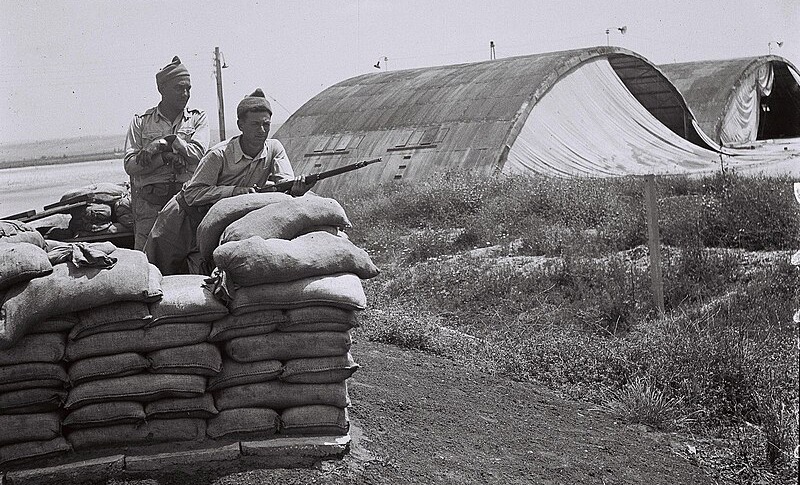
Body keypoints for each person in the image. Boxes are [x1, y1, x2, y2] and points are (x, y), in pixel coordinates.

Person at [144, 88, 314, 275]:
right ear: (240, 125)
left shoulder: (274, 149)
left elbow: (285, 184)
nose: (262, 130)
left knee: (206, 276)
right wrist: (234, 192)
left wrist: (296, 189)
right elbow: (193, 194)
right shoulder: (219, 154)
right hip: (181, 219)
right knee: (160, 273)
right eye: (255, 124)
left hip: (213, 223)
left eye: (266, 124)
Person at [123, 56, 209, 250]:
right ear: (161, 89)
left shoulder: (197, 119)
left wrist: (164, 142)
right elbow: (131, 165)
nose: (185, 93)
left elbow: (197, 154)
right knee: (146, 263)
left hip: (186, 204)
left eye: (188, 88)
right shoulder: (141, 122)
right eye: (179, 88)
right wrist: (165, 157)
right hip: (150, 206)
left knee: (189, 261)